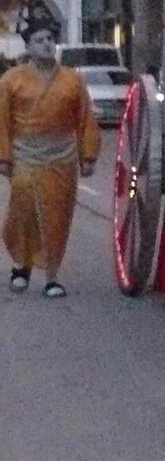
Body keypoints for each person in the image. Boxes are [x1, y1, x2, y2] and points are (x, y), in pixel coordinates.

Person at [1, 17, 101, 298]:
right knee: (24, 210)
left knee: (56, 214)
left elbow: (85, 119)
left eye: (49, 39)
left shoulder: (72, 80)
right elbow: (3, 120)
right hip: (25, 154)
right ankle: (22, 266)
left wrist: (88, 155)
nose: (46, 44)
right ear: (29, 47)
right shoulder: (12, 79)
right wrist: (4, 157)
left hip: (62, 156)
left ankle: (52, 276)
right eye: (39, 40)